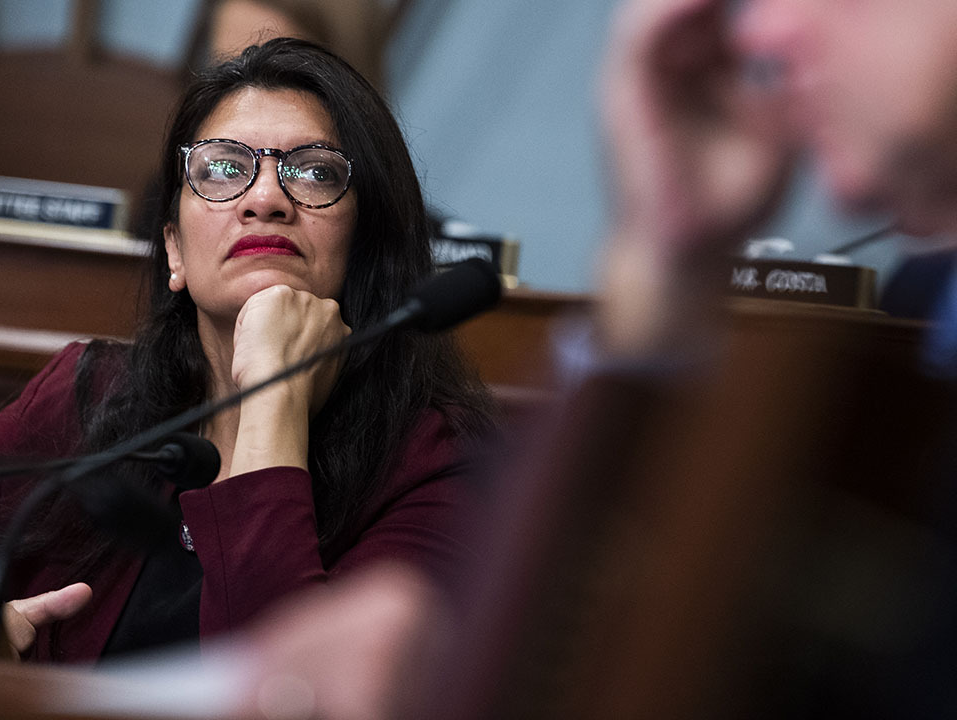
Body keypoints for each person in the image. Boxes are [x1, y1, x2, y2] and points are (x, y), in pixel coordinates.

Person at [217, 1, 957, 717]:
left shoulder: (427, 446)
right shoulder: (923, 302)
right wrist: (663, 263)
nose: (766, 31)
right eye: (220, 168)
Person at [0, 37, 492, 663]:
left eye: (314, 171)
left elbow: (294, 697)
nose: (265, 198)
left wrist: (276, 394)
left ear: (365, 246)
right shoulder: (86, 397)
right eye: (225, 168)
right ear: (175, 250)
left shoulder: (436, 468)